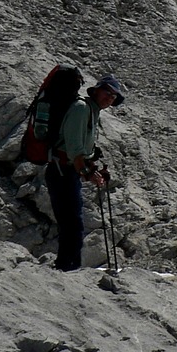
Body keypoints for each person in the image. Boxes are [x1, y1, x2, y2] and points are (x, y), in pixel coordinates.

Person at [45, 73, 125, 271]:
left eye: (113, 96)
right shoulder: (81, 109)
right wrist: (88, 173)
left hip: (66, 170)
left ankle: (69, 266)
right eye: (107, 92)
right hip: (61, 170)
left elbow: (79, 149)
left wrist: (90, 168)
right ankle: (67, 267)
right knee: (72, 223)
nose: (109, 98)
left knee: (71, 222)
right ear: (96, 90)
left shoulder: (92, 110)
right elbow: (73, 149)